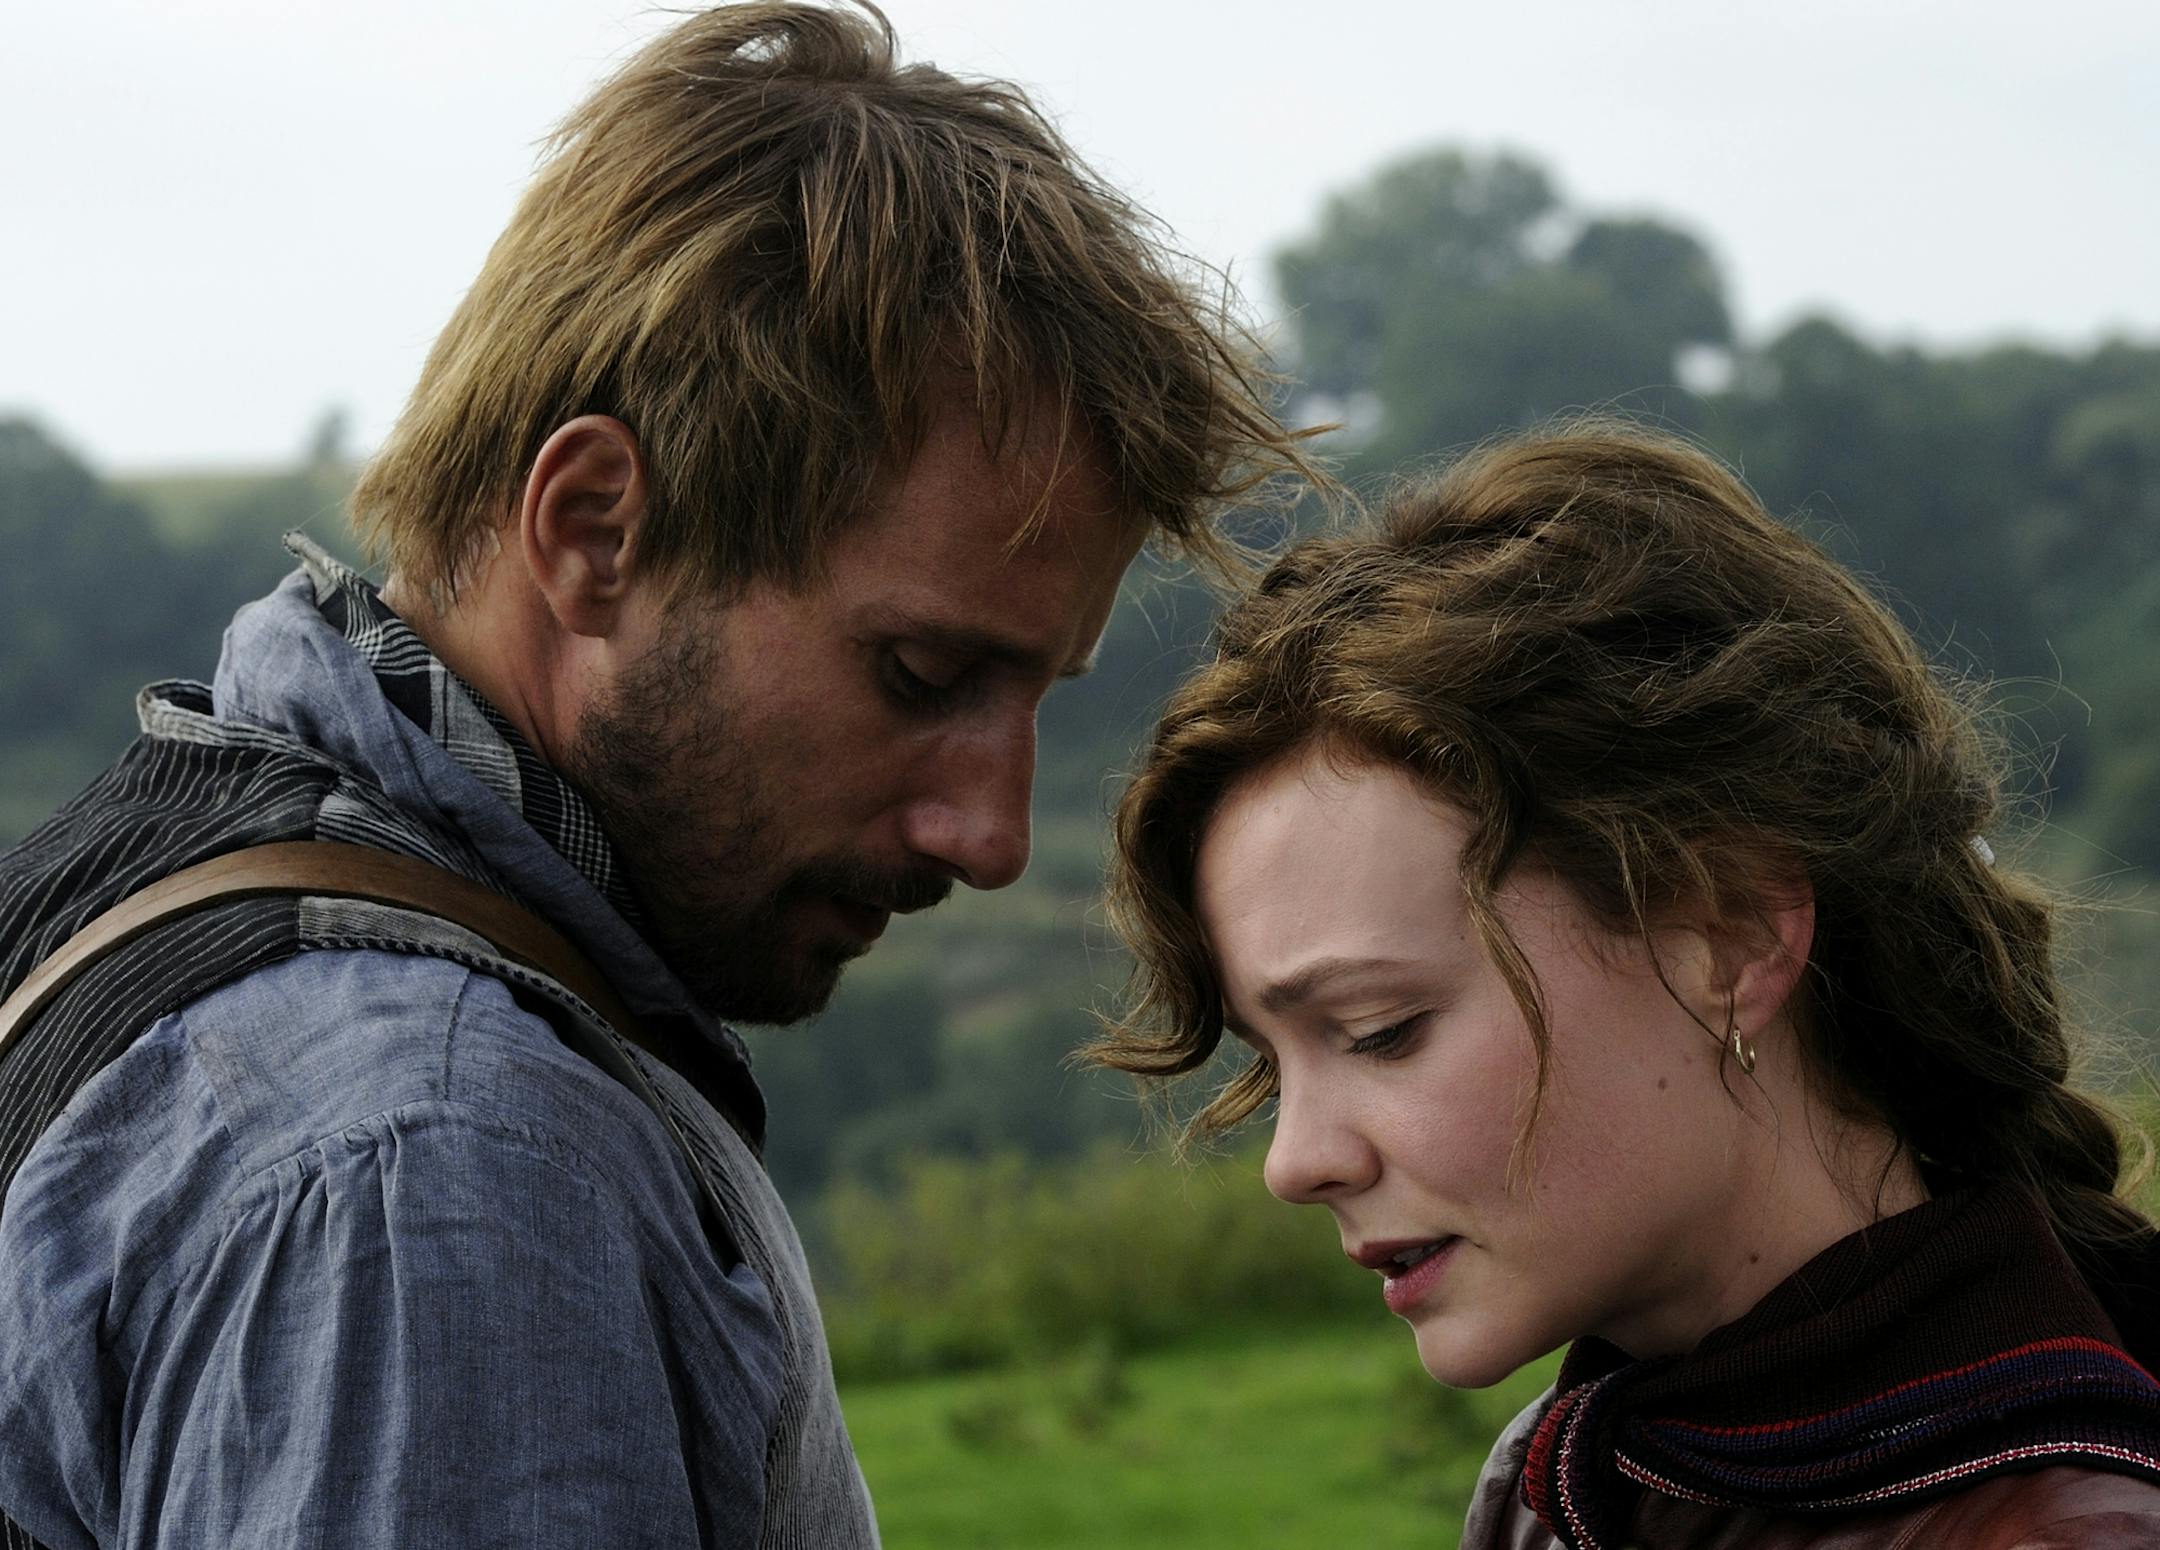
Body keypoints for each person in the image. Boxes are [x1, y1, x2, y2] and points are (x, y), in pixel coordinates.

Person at [0, 5, 1317, 1546]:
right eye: (920, 674)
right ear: (595, 530)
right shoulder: (446, 1169)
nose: (995, 835)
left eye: (1034, 694)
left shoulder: (122, 894)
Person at [1092, 423, 2160, 1548]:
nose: (1295, 1161)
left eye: (1380, 1029)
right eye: (1269, 1059)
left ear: (1730, 936)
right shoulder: (1569, 1479)